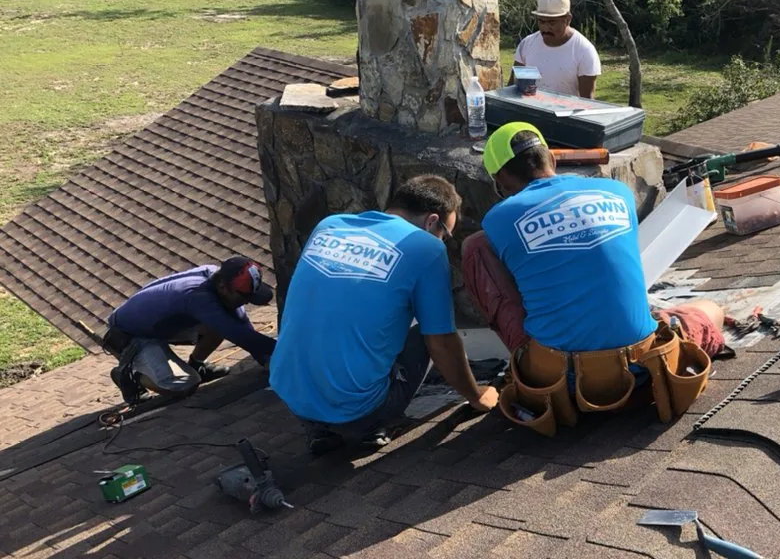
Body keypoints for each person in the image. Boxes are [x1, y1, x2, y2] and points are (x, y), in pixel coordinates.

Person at [461, 122, 727, 430]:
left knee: (475, 247)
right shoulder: (616, 191)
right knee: (711, 311)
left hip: (559, 382)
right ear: (553, 159)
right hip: (644, 369)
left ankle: (525, 358)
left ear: (501, 179)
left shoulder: (498, 219)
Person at [269, 175, 499, 454]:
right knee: (423, 334)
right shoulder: (426, 247)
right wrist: (476, 396)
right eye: (445, 234)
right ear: (432, 221)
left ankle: (321, 430)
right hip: (358, 411)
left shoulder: (329, 226)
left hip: (292, 397)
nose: (443, 241)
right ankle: (370, 427)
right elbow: (441, 342)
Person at [105, 257, 277, 403]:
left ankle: (197, 365)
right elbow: (240, 335)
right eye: (244, 297)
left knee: (222, 320)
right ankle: (131, 376)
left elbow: (241, 323)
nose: (246, 302)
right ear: (223, 287)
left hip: (160, 324)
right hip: (130, 336)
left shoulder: (218, 280)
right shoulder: (197, 297)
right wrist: (283, 352)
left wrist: (265, 358)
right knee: (185, 385)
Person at [510, 0, 602, 99]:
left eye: (552, 22)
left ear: (567, 19)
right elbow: (512, 87)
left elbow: (587, 100)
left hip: (565, 114)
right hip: (530, 113)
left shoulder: (584, 51)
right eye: (541, 22)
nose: (545, 28)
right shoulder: (527, 45)